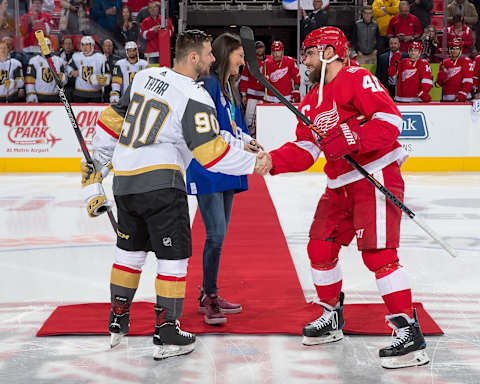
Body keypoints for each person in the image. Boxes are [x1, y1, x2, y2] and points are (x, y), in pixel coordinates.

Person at [81, 29, 270, 359]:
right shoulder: (194, 95)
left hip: (125, 181)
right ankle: (167, 330)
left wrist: (100, 162)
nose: (214, 59)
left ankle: (118, 319)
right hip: (161, 184)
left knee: (130, 252)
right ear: (194, 57)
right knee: (174, 257)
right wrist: (252, 163)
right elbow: (210, 152)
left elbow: (112, 120)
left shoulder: (145, 76)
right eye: (210, 53)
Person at [264, 26, 429, 369]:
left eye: (308, 53)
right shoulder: (311, 100)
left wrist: (352, 136)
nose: (303, 60)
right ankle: (331, 316)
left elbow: (389, 120)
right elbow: (306, 149)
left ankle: (407, 331)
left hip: (375, 174)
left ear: (328, 52)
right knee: (320, 247)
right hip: (339, 183)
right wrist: (271, 161)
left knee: (379, 255)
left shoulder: (358, 77)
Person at [186, 32, 263, 326]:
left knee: (219, 236)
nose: (244, 61)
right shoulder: (208, 84)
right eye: (240, 55)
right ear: (225, 54)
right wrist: (242, 145)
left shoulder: (231, 88)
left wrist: (249, 141)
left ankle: (210, 291)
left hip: (227, 166)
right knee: (215, 235)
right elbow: (209, 129)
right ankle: (209, 297)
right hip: (208, 166)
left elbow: (235, 125)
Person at [66, 35, 110, 103]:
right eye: (83, 45)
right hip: (79, 93)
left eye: (87, 45)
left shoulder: (100, 58)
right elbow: (67, 67)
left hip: (96, 94)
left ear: (92, 45)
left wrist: (105, 78)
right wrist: (71, 71)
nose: (84, 47)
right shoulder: (76, 56)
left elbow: (107, 73)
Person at [25, 38, 67, 103]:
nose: (45, 48)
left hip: (55, 96)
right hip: (39, 96)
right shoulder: (34, 61)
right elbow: (30, 80)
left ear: (50, 47)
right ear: (40, 47)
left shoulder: (59, 61)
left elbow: (65, 80)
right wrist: (31, 94)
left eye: (47, 46)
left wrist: (63, 78)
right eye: (43, 46)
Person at [239, 40, 266, 135]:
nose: (259, 50)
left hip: (265, 97)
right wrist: (243, 95)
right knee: (249, 119)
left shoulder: (269, 61)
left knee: (261, 120)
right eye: (257, 48)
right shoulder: (250, 63)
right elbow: (244, 79)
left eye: (261, 47)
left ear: (264, 48)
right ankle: (249, 139)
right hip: (252, 97)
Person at [139, 1, 174, 65]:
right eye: (150, 8)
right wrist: (153, 31)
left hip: (164, 53)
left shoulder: (165, 20)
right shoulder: (145, 22)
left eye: (154, 7)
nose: (152, 9)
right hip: (150, 54)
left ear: (158, 8)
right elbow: (144, 36)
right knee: (151, 73)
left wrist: (162, 30)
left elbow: (171, 33)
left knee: (164, 73)